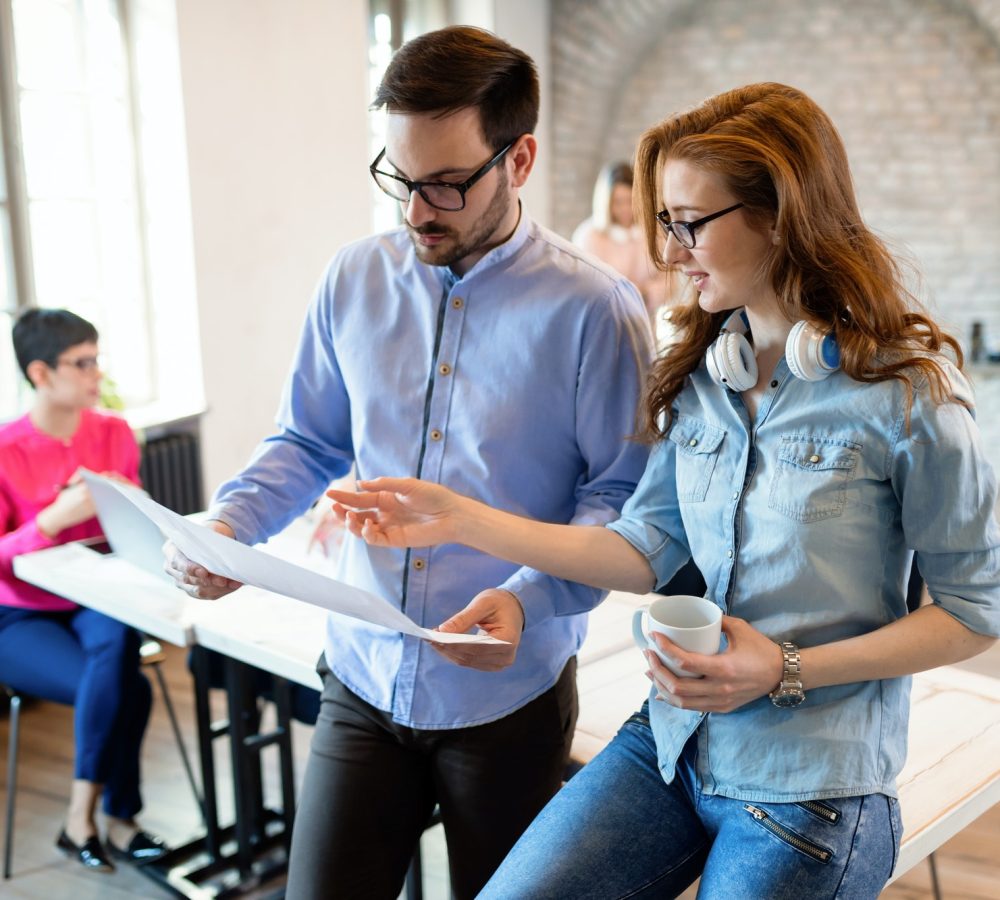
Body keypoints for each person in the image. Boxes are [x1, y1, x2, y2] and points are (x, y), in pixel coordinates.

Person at [326, 82, 1000, 899]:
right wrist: (464, 520)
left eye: (688, 224)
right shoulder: (702, 380)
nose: (668, 253)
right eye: (663, 225)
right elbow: (643, 546)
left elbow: (974, 613)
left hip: (812, 785)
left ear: (781, 213)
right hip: (674, 745)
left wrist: (785, 669)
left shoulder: (910, 396)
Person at [164, 25, 651, 900]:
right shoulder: (351, 280)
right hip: (360, 668)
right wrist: (226, 525)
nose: (417, 210)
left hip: (509, 694)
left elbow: (617, 498)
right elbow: (307, 439)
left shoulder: (598, 311)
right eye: (399, 179)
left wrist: (527, 600)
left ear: (521, 158)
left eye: (446, 185)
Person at [0, 309, 169, 872]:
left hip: (96, 594)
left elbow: (137, 528)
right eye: (83, 362)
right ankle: (113, 819)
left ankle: (86, 820)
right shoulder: (5, 450)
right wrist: (51, 519)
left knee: (116, 642)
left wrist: (126, 503)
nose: (97, 373)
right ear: (41, 373)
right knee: (129, 688)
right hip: (19, 615)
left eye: (97, 358)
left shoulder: (113, 433)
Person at [572, 160, 667, 329]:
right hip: (603, 323)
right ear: (606, 202)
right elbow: (584, 286)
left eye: (629, 201)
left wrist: (643, 294)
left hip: (647, 322)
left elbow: (669, 279)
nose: (625, 209)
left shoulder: (655, 233)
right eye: (618, 202)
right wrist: (630, 293)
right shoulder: (589, 236)